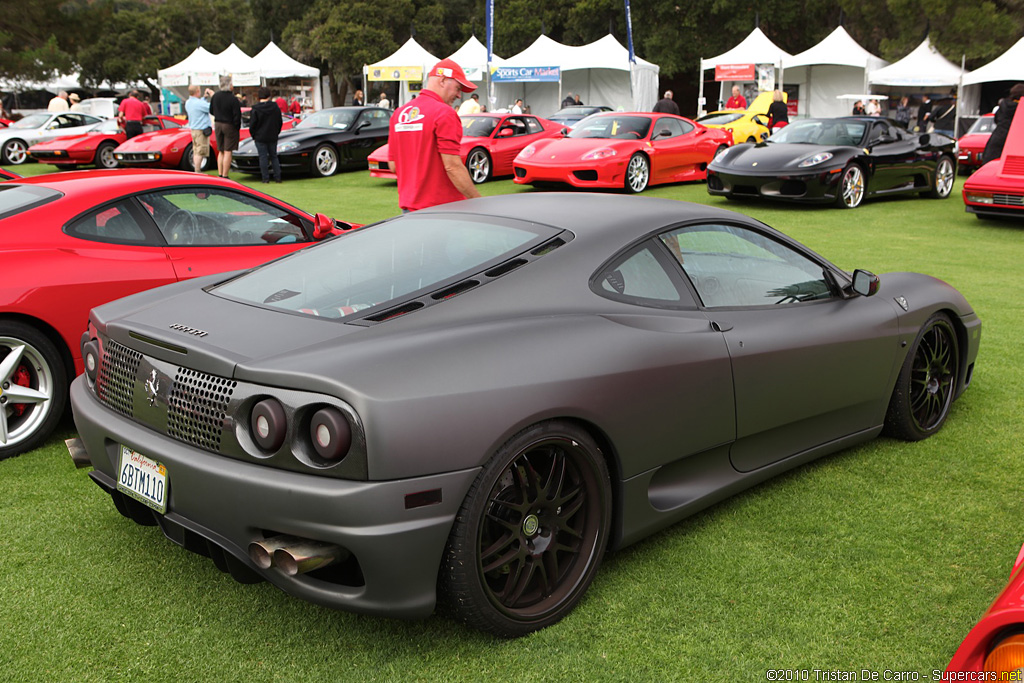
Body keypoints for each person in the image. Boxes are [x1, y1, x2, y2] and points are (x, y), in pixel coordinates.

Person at [388, 58, 482, 212]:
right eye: (458, 88)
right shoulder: (444, 113)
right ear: (443, 80)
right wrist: (478, 202)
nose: (459, 95)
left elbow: (393, 166)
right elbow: (452, 166)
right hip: (442, 210)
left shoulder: (399, 113)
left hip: (409, 210)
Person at [982, 83, 1024, 163]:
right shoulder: (1020, 107)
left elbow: (996, 119)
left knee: (990, 163)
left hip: (998, 136)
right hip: (1013, 139)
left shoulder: (1004, 105)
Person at [249, 86, 283, 184]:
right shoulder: (275, 107)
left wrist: (254, 135)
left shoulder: (255, 109)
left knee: (263, 157)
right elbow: (279, 121)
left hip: (260, 136)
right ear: (269, 95)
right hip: (272, 135)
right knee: (274, 156)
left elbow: (252, 124)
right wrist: (276, 132)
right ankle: (278, 177)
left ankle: (265, 178)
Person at [210, 77, 242, 179]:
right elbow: (237, 115)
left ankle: (220, 173)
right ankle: (225, 174)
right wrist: (236, 127)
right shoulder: (233, 99)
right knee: (228, 150)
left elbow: (211, 110)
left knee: (221, 150)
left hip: (218, 123)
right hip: (229, 124)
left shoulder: (215, 96)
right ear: (229, 85)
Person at [185, 84, 215, 173]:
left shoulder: (188, 102)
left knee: (196, 150)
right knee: (200, 151)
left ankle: (196, 169)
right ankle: (197, 170)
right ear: (197, 91)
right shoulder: (199, 103)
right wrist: (213, 96)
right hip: (201, 131)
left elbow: (200, 105)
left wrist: (204, 98)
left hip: (194, 129)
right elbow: (211, 108)